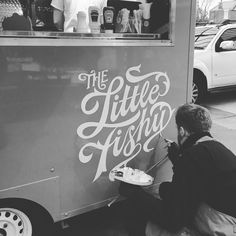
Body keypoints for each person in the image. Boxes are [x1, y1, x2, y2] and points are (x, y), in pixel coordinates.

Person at [118, 103, 236, 236]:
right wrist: (178, 161)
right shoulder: (217, 147)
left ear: (182, 131)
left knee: (134, 217)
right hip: (226, 217)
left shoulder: (193, 156)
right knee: (166, 189)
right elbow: (195, 181)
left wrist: (135, 193)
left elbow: (173, 220)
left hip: (224, 227)